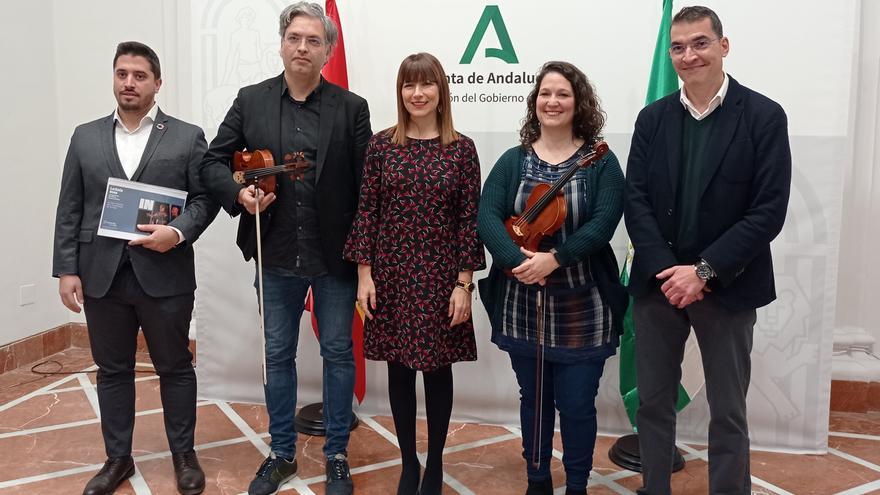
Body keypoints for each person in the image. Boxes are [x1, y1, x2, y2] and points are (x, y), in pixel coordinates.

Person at [198, 3, 371, 494]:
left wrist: (365, 262)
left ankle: (336, 452)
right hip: (273, 252)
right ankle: (280, 454)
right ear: (281, 43)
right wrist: (239, 193)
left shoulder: (352, 108)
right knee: (277, 354)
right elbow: (213, 162)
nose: (302, 47)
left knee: (338, 354)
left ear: (327, 50)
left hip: (334, 258)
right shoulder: (250, 100)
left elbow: (367, 187)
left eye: (313, 41)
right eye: (295, 37)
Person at [623, 6, 791, 495]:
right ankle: (654, 487)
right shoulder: (652, 119)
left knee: (729, 411)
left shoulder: (763, 116)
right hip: (660, 286)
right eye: (678, 47)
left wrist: (703, 272)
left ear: (723, 45)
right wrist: (669, 271)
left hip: (729, 284)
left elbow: (767, 210)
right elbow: (637, 200)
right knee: (652, 404)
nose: (688, 55)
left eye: (699, 43)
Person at [52, 41, 219, 495]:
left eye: (140, 75)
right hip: (100, 274)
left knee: (175, 367)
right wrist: (67, 269)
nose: (129, 82)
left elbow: (206, 199)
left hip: (164, 274)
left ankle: (184, 456)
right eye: (122, 73)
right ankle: (117, 459)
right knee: (112, 370)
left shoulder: (186, 136)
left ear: (157, 84)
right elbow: (70, 207)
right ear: (114, 78)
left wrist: (178, 233)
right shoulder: (85, 136)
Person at [477, 61, 626, 495]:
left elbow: (603, 224)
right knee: (535, 399)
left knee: (577, 404)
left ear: (578, 102)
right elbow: (488, 216)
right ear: (535, 102)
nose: (553, 101)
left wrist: (555, 259)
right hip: (523, 302)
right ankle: (537, 480)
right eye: (545, 93)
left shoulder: (600, 162)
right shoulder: (514, 160)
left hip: (583, 303)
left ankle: (577, 483)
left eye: (562, 93)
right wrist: (517, 262)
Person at [343, 52, 485, 495]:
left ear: (441, 90)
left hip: (442, 278)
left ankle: (436, 464)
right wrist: (364, 275)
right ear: (400, 92)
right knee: (400, 370)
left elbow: (469, 220)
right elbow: (367, 211)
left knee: (438, 370)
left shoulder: (461, 148)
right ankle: (409, 463)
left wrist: (465, 283)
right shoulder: (383, 145)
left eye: (426, 85)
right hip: (392, 276)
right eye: (409, 85)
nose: (417, 94)